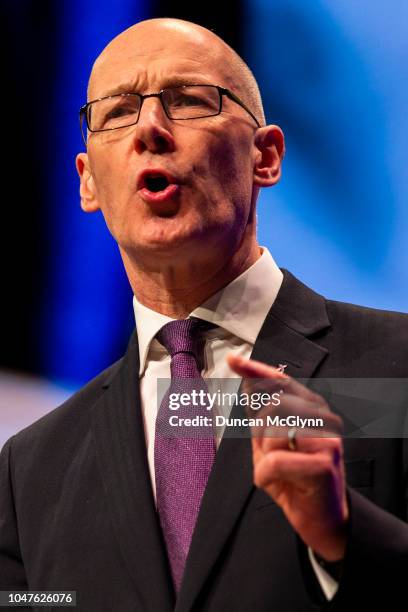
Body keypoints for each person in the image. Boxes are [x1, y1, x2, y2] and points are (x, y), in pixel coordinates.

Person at [0, 17, 407, 612]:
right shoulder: (29, 469)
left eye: (188, 100)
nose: (149, 129)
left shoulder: (394, 373)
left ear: (265, 156)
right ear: (88, 183)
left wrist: (347, 533)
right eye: (116, 112)